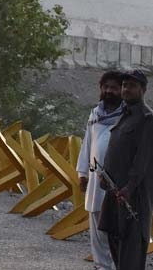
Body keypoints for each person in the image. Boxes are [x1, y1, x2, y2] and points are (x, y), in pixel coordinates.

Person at [99, 69, 153, 270]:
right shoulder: (124, 115)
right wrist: (105, 175)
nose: (126, 89)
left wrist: (129, 188)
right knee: (115, 245)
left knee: (131, 251)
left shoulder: (147, 119)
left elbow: (143, 160)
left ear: (143, 89)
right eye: (124, 85)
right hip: (114, 193)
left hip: (133, 197)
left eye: (131, 85)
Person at [76, 70, 124, 270]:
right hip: (96, 180)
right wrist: (82, 173)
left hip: (118, 181)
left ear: (121, 90)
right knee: (96, 224)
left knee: (114, 227)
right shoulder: (95, 114)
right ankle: (101, 265)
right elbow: (87, 143)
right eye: (106, 87)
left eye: (114, 87)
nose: (109, 91)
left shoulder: (127, 114)